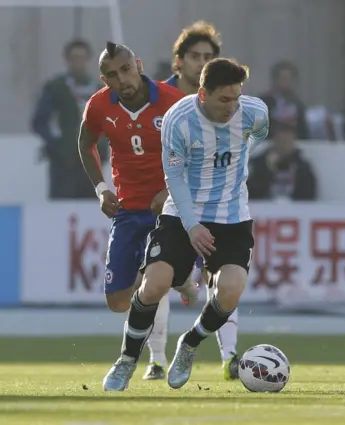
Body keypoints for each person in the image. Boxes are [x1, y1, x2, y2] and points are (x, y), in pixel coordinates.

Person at [102, 58, 269, 392]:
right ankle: (127, 360)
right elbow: (173, 178)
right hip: (182, 214)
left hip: (232, 216)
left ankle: (189, 344)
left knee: (232, 289)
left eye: (237, 97)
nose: (232, 106)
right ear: (203, 94)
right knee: (154, 283)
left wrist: (234, 164)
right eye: (225, 99)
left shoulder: (254, 113)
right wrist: (193, 226)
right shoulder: (178, 119)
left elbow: (258, 136)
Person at [78, 42, 199, 384]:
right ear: (104, 79)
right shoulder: (100, 105)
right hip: (129, 210)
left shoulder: (172, 101)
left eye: (126, 69)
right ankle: (181, 278)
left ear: (138, 64)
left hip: (171, 209)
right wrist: (102, 189)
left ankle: (133, 359)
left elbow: (199, 150)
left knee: (152, 278)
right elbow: (85, 144)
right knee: (117, 301)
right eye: (113, 75)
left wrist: (172, 189)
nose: (123, 79)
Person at [164, 21, 242, 381]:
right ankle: (150, 357)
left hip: (218, 204)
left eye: (208, 57)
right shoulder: (163, 101)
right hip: (168, 200)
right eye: (195, 56)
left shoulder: (230, 103)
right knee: (153, 282)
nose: (201, 62)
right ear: (179, 62)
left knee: (224, 279)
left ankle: (229, 354)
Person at [32, 39, 103, 199]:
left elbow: (108, 123)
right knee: (61, 209)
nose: (78, 62)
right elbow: (39, 121)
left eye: (82, 58)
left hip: (91, 165)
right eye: (74, 58)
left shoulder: (98, 90)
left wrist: (102, 149)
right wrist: (56, 145)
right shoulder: (56, 87)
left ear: (88, 60)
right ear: (67, 60)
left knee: (89, 210)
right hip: (63, 165)